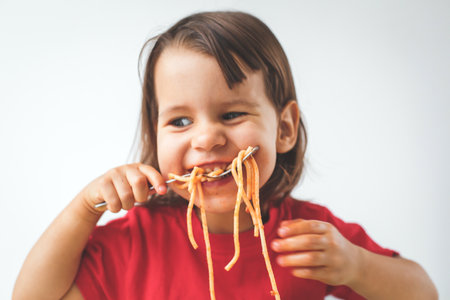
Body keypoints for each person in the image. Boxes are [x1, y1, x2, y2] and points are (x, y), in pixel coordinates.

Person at [13, 11, 437, 300]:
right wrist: (85, 208)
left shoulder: (309, 235)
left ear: (284, 128)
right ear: (155, 135)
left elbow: (423, 292)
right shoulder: (134, 241)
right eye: (180, 122)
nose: (207, 138)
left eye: (231, 114)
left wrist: (358, 267)